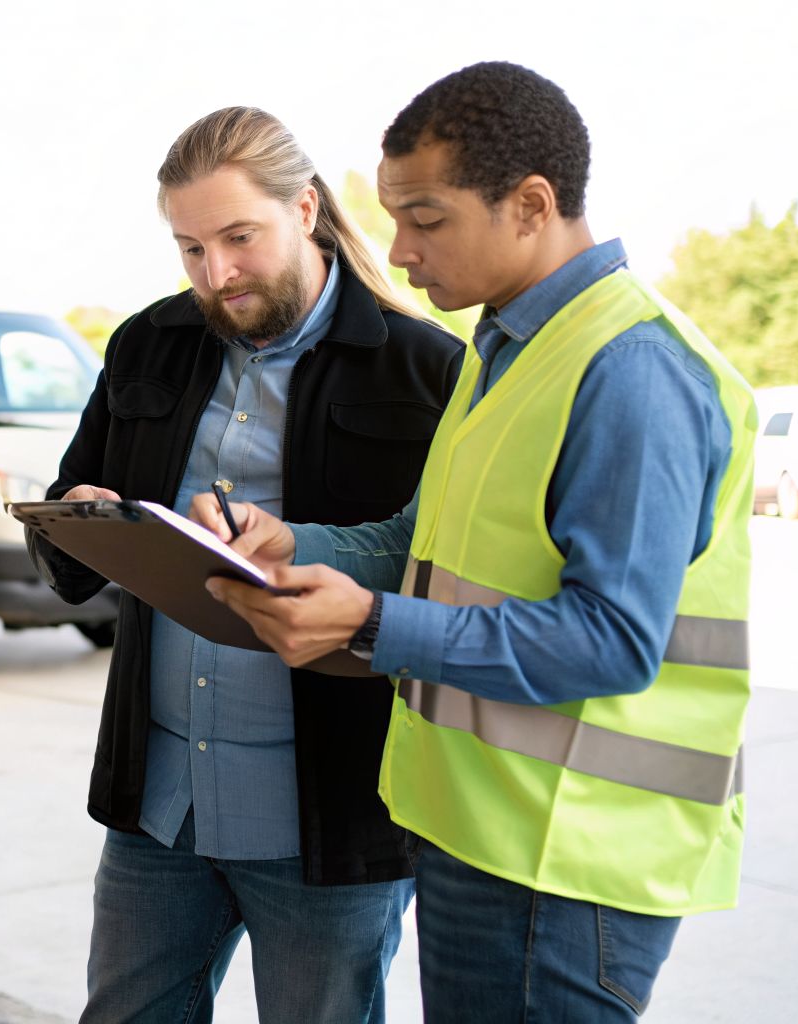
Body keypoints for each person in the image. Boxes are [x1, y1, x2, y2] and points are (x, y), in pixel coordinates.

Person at [197, 63, 755, 1023]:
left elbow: (610, 642)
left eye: (426, 218)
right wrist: (298, 544)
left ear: (531, 205)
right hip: (478, 835)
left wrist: (370, 624)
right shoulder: (508, 345)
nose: (398, 250)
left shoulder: (632, 373)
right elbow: (425, 541)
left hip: (567, 867)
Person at [27, 106, 463, 1023]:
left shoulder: (428, 372)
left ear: (305, 210)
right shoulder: (147, 343)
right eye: (189, 248)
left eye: (237, 237)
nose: (215, 274)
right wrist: (84, 521)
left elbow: (442, 581)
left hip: (327, 818)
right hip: (162, 806)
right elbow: (75, 498)